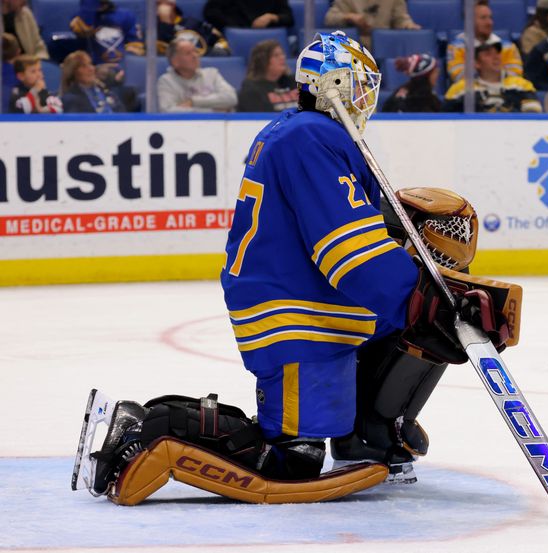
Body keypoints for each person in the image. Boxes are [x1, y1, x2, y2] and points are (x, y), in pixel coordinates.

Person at [74, 31, 512, 506]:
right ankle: (144, 427)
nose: (368, 97)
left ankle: (371, 434)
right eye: (360, 85)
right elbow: (347, 248)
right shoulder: (312, 137)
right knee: (292, 457)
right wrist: (421, 293)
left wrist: (425, 289)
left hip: (313, 301)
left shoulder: (308, 134)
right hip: (296, 312)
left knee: (426, 327)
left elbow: (353, 228)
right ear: (334, 86)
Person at [444, 39, 542, 112]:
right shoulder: (459, 90)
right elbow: (446, 122)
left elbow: (533, 116)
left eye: (497, 53)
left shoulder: (521, 85)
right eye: (488, 54)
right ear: (477, 63)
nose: (495, 57)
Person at [447, 0, 523, 83]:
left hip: (506, 94)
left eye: (490, 17)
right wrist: (493, 72)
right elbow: (460, 78)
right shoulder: (456, 48)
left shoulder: (509, 47)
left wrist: (485, 72)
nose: (489, 22)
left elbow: (516, 79)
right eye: (483, 18)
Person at [157, 37, 237, 113]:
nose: (195, 56)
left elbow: (231, 98)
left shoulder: (212, 74)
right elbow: (167, 111)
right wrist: (212, 111)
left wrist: (193, 102)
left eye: (195, 51)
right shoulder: (166, 81)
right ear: (175, 61)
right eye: (188, 53)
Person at [323, 0, 420, 50]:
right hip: (353, 48)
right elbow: (330, 18)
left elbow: (400, 19)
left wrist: (408, 25)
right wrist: (349, 17)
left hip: (383, 46)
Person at [70, 0, 144, 64]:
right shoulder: (80, 18)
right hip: (93, 68)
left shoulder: (126, 15)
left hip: (122, 67)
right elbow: (84, 26)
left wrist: (124, 58)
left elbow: (135, 46)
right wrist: (90, 5)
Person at [237, 40, 298, 112]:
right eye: (276, 55)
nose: (282, 57)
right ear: (262, 61)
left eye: (282, 54)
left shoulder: (295, 81)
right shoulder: (251, 89)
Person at [156, 0, 231, 56]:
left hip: (200, 56)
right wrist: (165, 22)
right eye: (157, 5)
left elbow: (217, 38)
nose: (160, 8)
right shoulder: (155, 28)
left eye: (163, 4)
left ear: (173, 5)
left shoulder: (191, 23)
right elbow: (162, 48)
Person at [59, 50, 125, 112]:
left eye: (90, 64)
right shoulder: (70, 99)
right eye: (84, 66)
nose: (91, 69)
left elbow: (124, 116)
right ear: (73, 72)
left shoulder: (106, 92)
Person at [203, 0, 294, 31]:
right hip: (234, 35)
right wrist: (237, 27)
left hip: (269, 38)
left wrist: (271, 17)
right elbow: (211, 12)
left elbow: (289, 18)